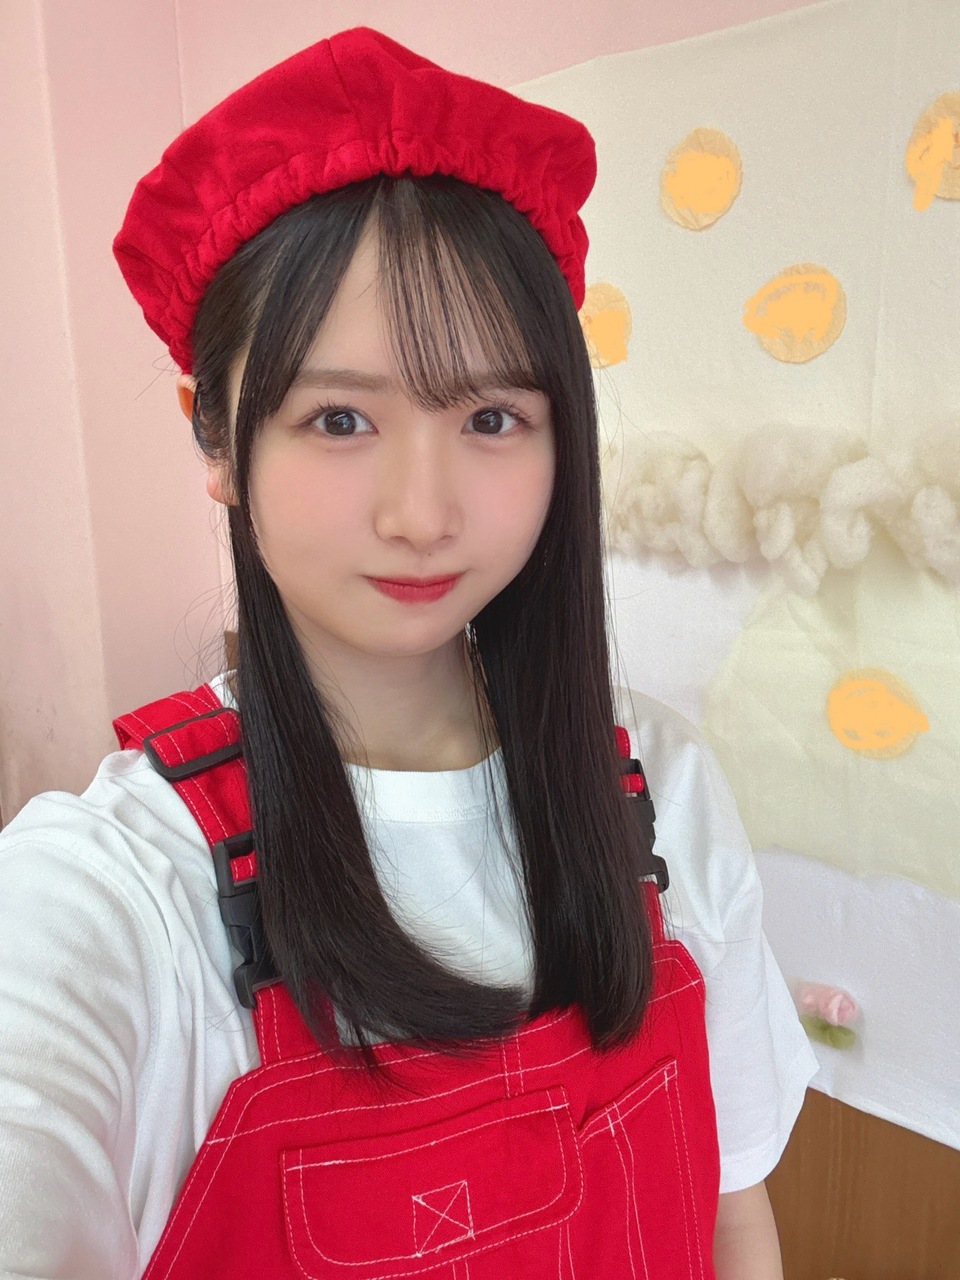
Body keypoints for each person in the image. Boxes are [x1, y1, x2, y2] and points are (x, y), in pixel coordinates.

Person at [0, 26, 818, 1280]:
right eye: (339, 417)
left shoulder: (659, 782)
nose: (423, 512)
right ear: (215, 434)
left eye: (491, 415)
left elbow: (733, 1211)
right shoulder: (105, 894)